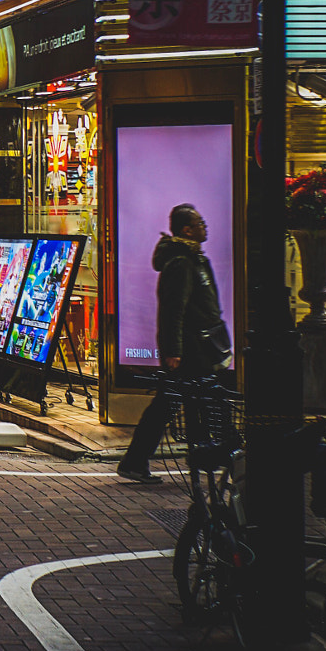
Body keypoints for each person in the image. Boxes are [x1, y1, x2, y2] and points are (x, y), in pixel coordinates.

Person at [116, 203, 233, 485]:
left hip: (200, 347)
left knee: (185, 402)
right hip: (190, 350)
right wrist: (173, 351)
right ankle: (140, 461)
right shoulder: (181, 263)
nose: (205, 225)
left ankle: (199, 455)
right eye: (199, 222)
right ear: (187, 229)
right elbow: (173, 310)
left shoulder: (195, 259)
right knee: (184, 401)